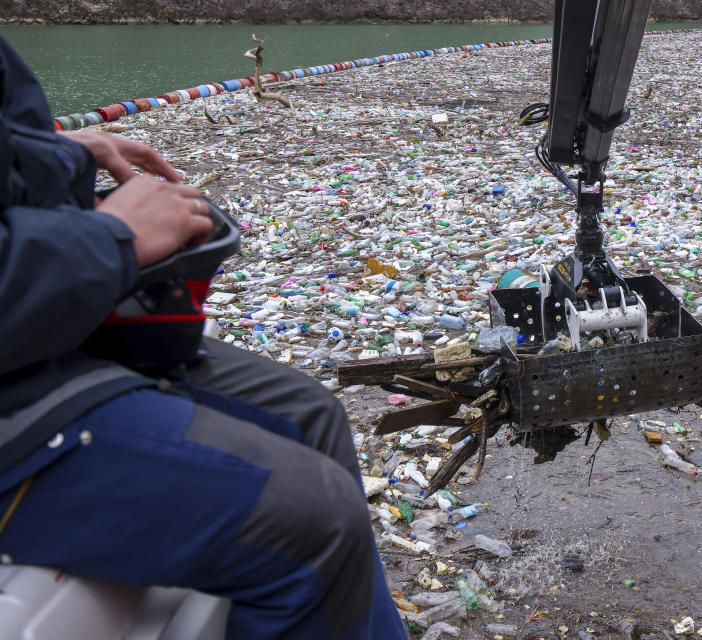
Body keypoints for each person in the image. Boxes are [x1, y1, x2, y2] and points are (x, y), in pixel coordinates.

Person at [0, 36, 408, 639]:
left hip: (42, 342)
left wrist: (48, 157)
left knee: (312, 412)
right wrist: (113, 237)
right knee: (315, 515)